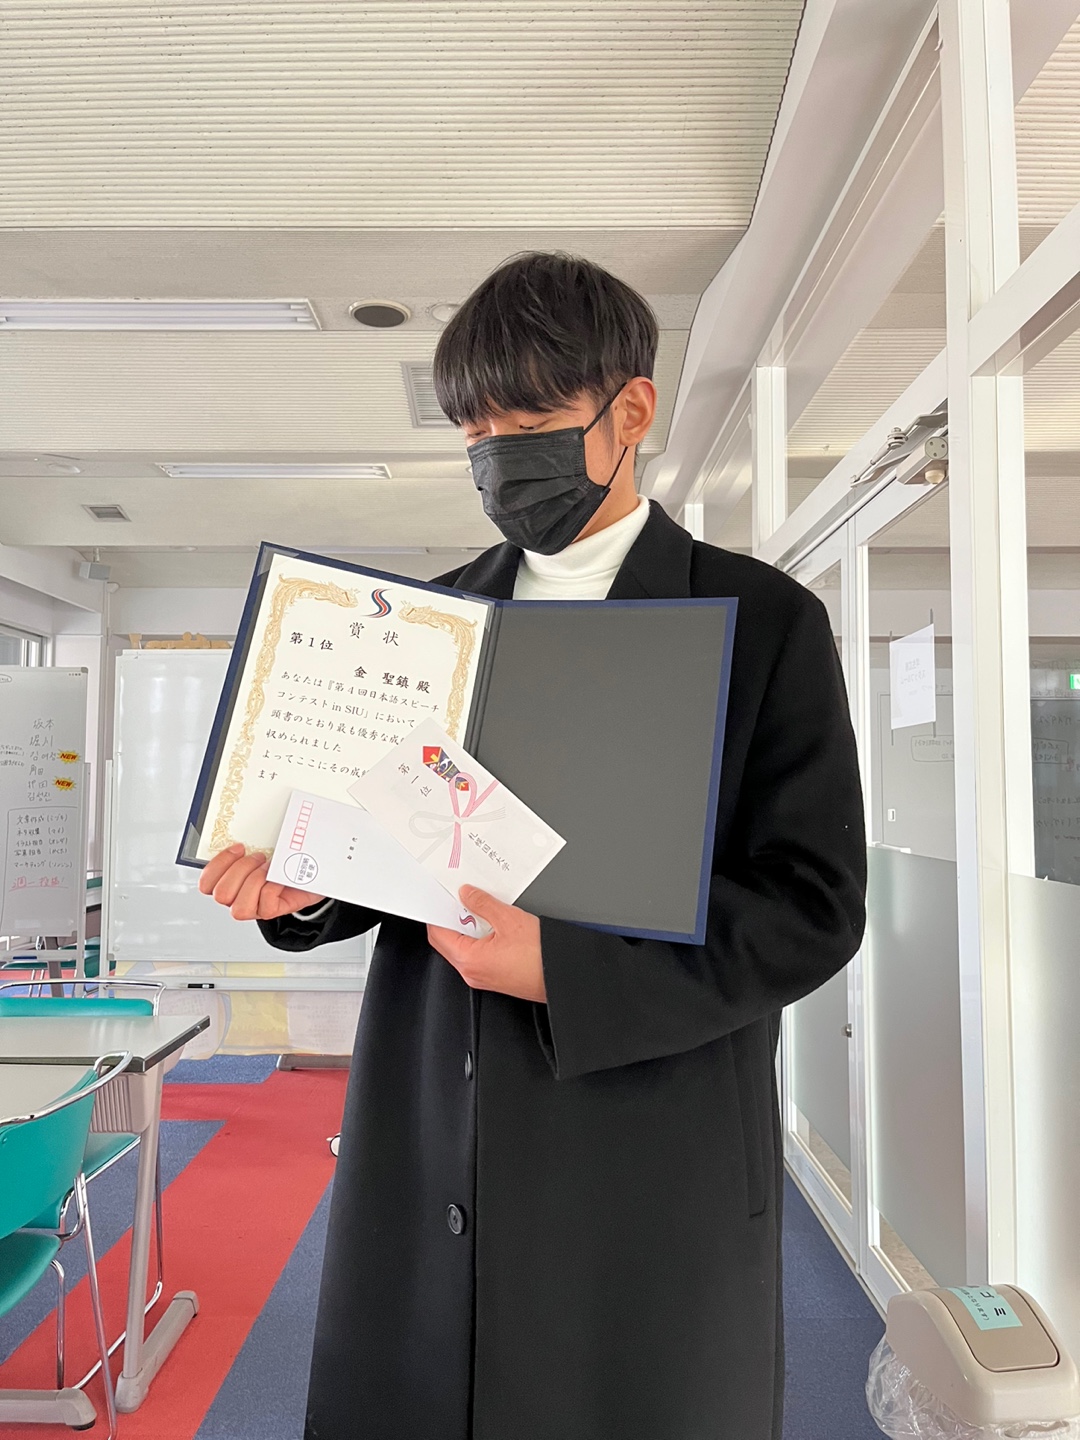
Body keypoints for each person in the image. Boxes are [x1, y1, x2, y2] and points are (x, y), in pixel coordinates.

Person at [200, 252, 866, 1440]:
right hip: (435, 1105)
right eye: (476, 429)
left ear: (632, 410)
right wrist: (302, 884)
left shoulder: (764, 622)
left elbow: (813, 906)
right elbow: (391, 848)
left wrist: (569, 969)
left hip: (648, 1127)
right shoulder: (431, 622)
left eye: (531, 420)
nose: (499, 453)